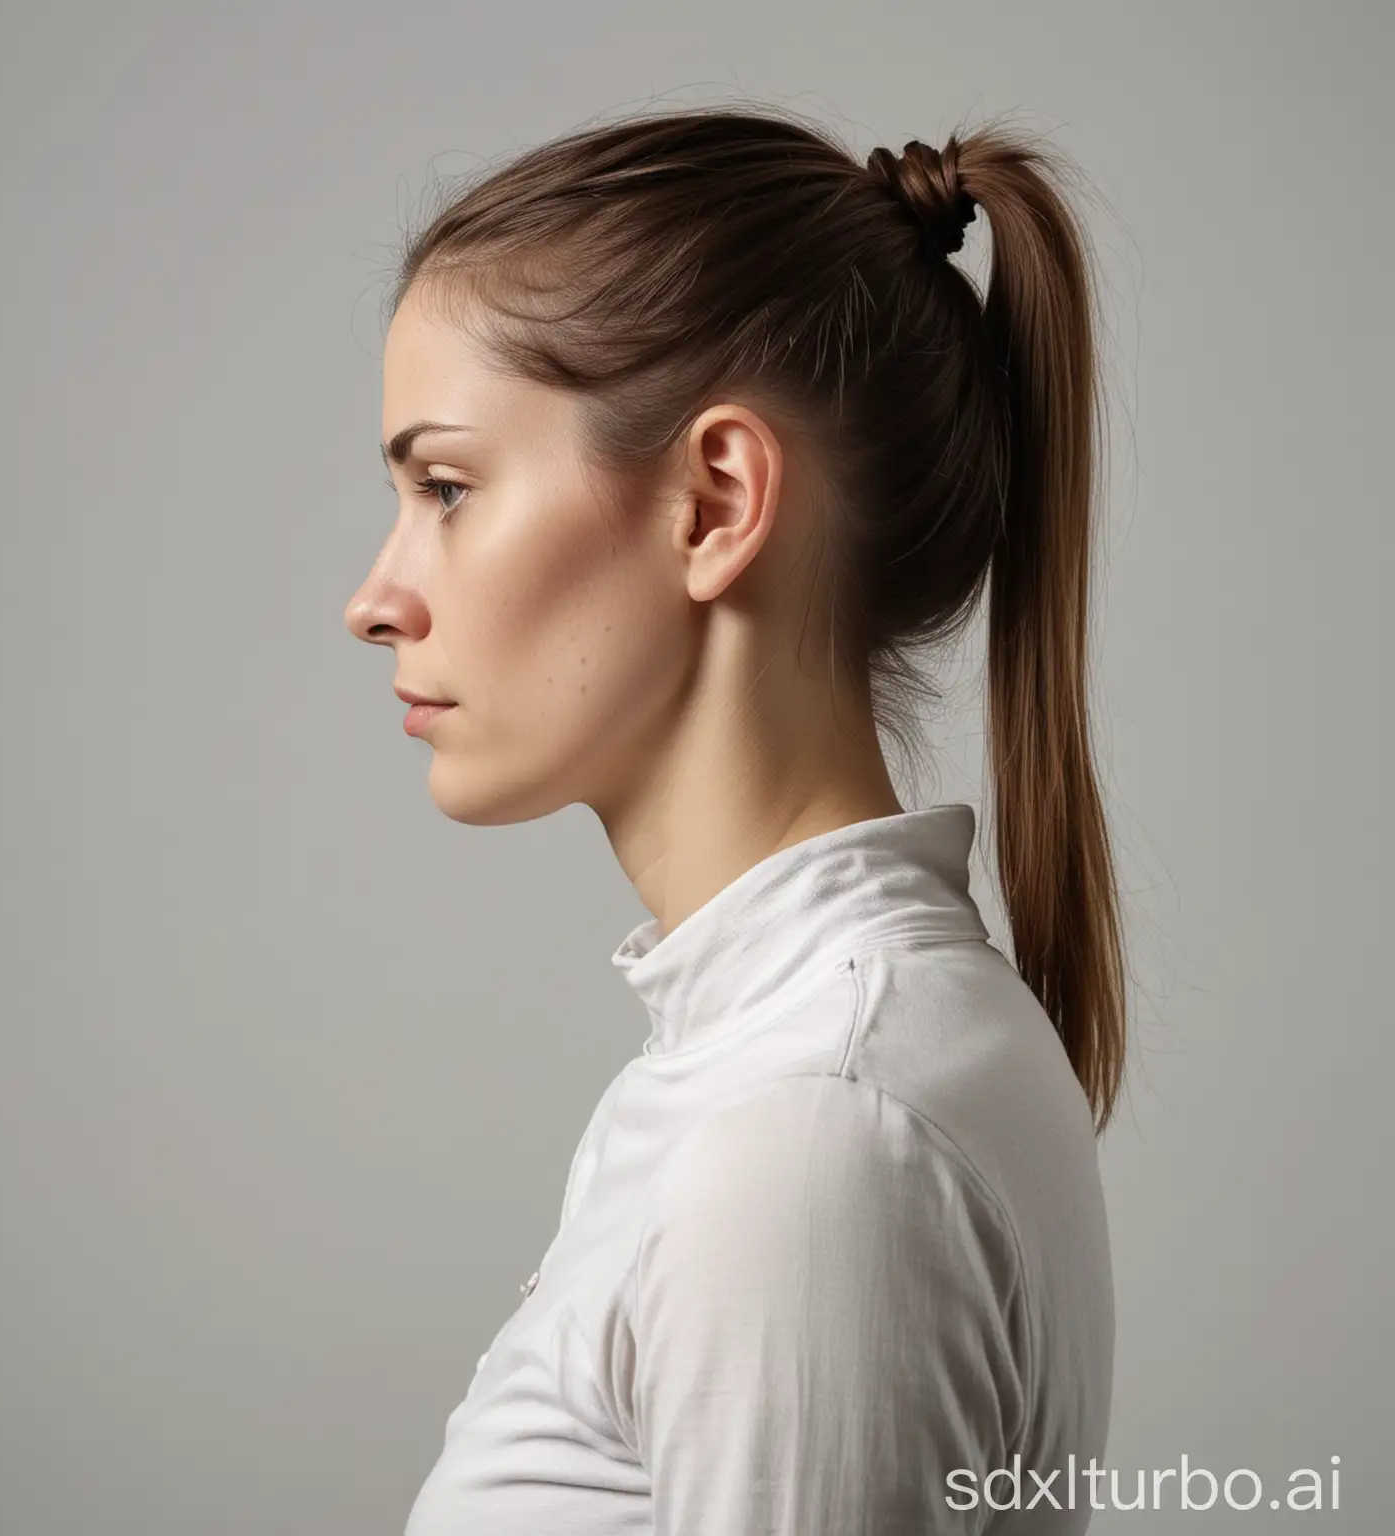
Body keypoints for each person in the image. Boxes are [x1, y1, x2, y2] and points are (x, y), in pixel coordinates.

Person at [344, 102, 1127, 1535]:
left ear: (715, 502)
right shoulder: (797, 1069)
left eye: (447, 488)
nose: (374, 596)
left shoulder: (815, 1134)